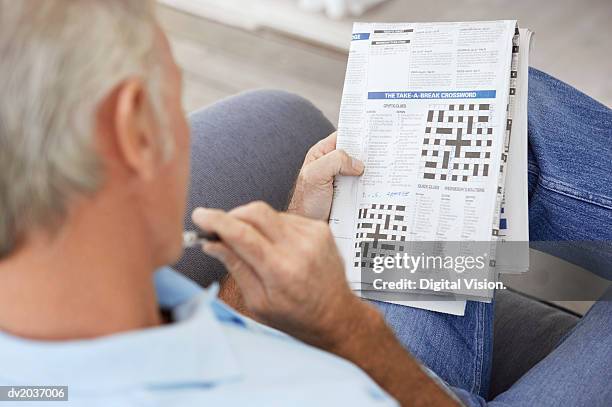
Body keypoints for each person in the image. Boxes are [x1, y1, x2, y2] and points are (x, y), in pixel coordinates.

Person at [0, 1, 610, 407]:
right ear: (134, 130)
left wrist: (289, 231)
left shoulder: (85, 293)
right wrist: (350, 332)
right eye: (173, 95)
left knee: (497, 112)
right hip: (390, 380)